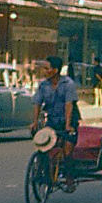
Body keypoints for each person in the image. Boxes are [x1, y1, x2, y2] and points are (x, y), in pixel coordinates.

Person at [30, 56, 81, 190]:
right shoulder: (43, 85)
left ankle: (70, 178)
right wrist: (34, 122)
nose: (45, 71)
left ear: (55, 70)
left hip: (70, 121)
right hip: (52, 121)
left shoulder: (68, 84)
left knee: (67, 151)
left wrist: (68, 125)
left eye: (47, 68)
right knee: (43, 147)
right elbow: (37, 103)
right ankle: (46, 173)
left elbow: (69, 105)